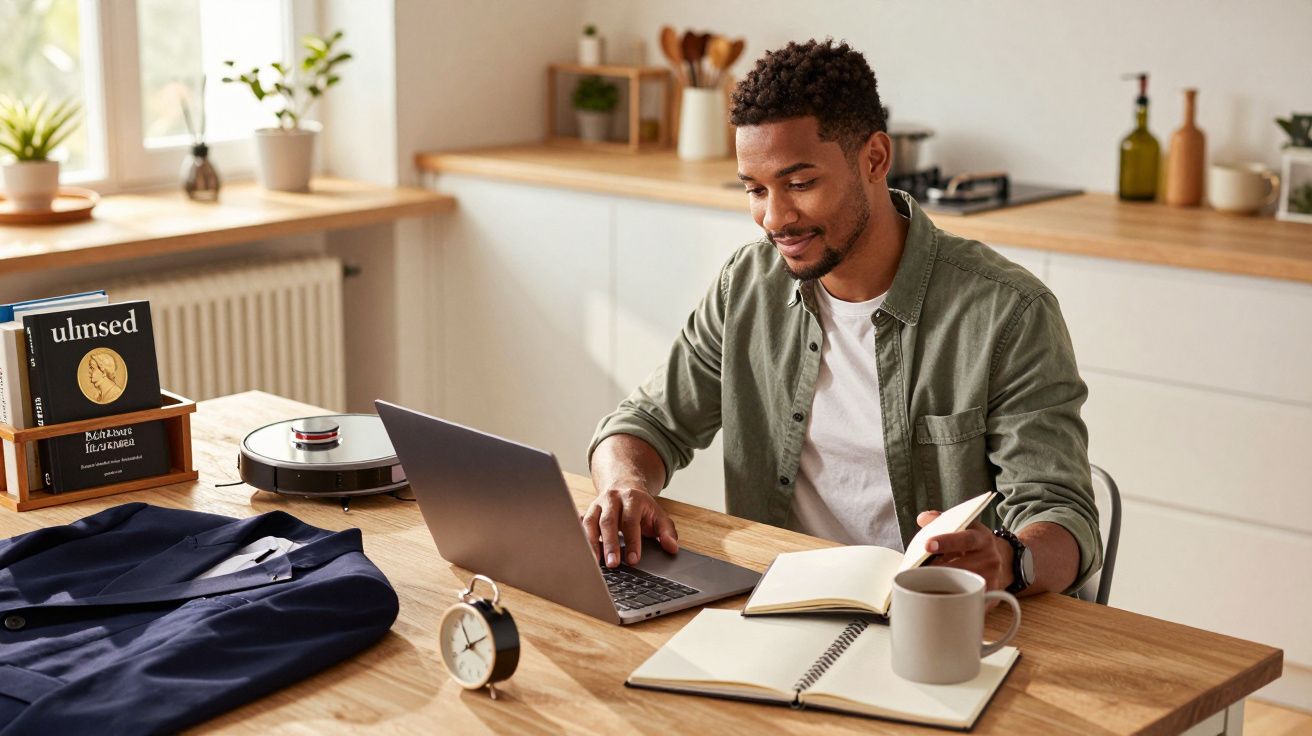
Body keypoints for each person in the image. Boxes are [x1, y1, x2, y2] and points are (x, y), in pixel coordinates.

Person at [582, 39, 1101, 596]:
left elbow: (1064, 518)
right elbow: (645, 425)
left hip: (938, 622)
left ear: (875, 159)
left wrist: (1009, 556)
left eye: (800, 184)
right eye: (756, 190)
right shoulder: (747, 286)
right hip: (778, 604)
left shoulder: (1008, 312)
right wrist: (625, 487)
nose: (774, 219)